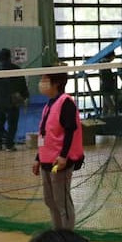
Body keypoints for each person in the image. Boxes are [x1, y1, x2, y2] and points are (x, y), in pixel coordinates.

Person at [32, 70, 83, 230]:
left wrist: (63, 156)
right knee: (50, 200)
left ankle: (68, 236)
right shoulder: (49, 104)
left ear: (56, 83)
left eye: (45, 79)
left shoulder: (66, 102)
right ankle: (57, 233)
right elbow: (44, 134)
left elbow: (70, 131)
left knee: (62, 201)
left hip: (59, 162)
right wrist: (38, 158)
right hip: (46, 160)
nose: (41, 83)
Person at [0, 48, 29, 152]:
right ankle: (9, 145)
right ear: (10, 57)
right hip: (12, 102)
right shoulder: (17, 70)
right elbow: (22, 86)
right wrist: (25, 96)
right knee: (12, 124)